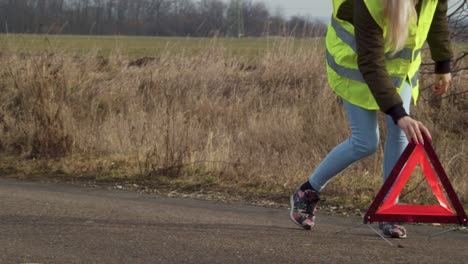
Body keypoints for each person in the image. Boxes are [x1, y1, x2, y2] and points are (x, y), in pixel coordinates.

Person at [289, 0, 453, 238]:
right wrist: (399, 114)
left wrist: (443, 64)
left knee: (400, 134)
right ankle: (307, 192)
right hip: (356, 66)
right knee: (365, 142)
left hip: (399, 68)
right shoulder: (368, 3)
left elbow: (436, 19)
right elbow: (371, 63)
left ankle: (388, 209)